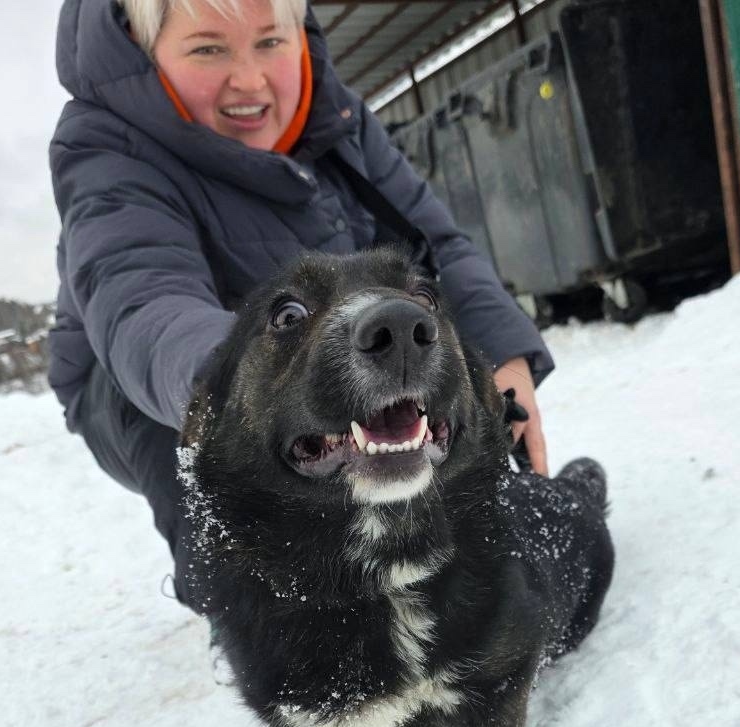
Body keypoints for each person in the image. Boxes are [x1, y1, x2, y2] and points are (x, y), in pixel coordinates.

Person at [49, 0, 554, 611]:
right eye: (209, 48)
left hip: (315, 340)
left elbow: (436, 245)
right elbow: (143, 297)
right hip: (140, 388)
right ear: (143, 48)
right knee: (211, 436)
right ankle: (239, 595)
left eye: (270, 41)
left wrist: (506, 363)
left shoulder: (335, 117)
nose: (251, 81)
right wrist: (249, 387)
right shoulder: (107, 143)